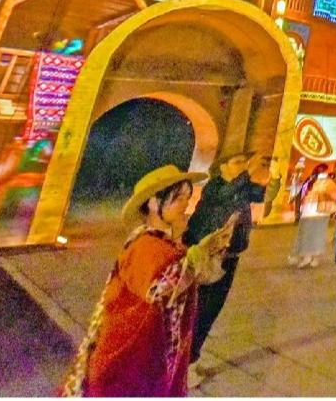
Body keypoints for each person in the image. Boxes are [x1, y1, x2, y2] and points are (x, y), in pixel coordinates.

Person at [64, 166, 236, 397]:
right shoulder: (145, 245)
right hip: (130, 363)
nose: (186, 205)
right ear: (155, 203)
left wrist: (211, 250)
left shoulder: (166, 244)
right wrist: (200, 254)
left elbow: (189, 276)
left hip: (149, 360)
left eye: (188, 198)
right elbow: (162, 287)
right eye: (179, 198)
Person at [183, 150, 270, 367]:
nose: (243, 165)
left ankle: (191, 356)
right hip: (209, 255)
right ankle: (186, 360)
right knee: (200, 309)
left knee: (212, 310)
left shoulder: (242, 187)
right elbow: (226, 194)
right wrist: (249, 170)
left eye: (244, 162)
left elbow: (263, 195)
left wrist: (274, 177)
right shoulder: (215, 187)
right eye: (238, 162)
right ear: (222, 167)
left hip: (230, 256)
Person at [289, 163, 336, 269]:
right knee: (312, 234)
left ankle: (310, 256)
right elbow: (335, 194)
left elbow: (334, 194)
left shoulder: (321, 182)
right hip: (315, 211)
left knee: (312, 234)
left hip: (315, 212)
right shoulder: (321, 182)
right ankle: (309, 256)